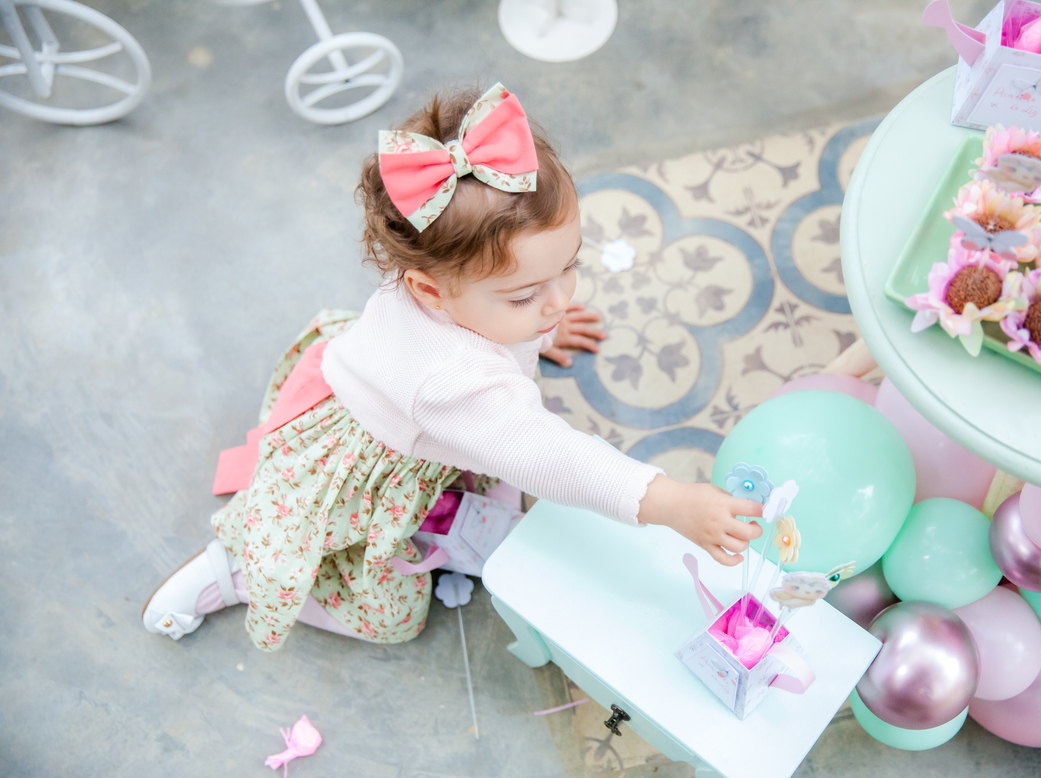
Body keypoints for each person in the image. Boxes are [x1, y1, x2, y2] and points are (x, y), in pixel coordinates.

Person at [142, 83, 763, 652]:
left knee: (495, 495)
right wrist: (671, 501)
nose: (559, 300)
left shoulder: (451, 281)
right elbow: (551, 455)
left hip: (386, 395)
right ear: (430, 291)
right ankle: (238, 570)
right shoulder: (451, 383)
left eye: (569, 266)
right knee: (395, 619)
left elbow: (513, 313)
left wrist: (534, 326)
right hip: (374, 469)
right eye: (525, 296)